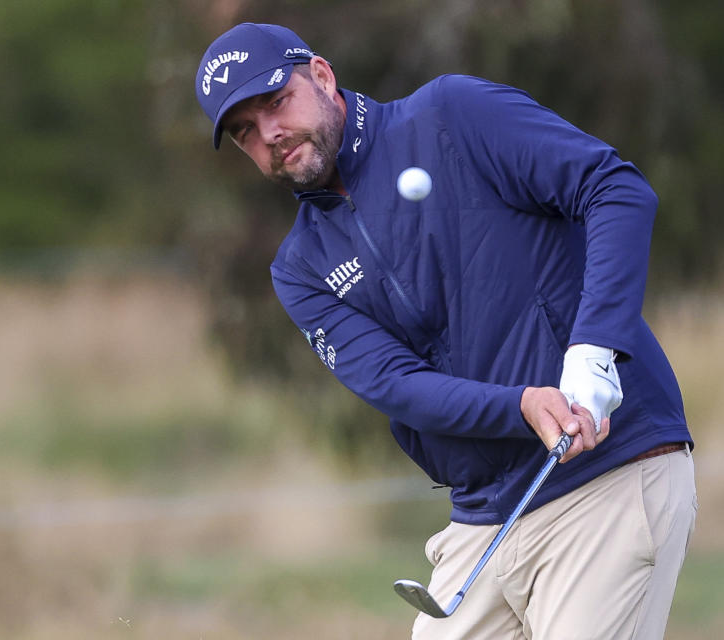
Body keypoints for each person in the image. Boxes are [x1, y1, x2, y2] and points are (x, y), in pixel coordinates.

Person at [195, 22, 696, 640]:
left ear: (322, 76)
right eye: (246, 130)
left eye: (276, 102)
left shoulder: (451, 116)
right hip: (484, 516)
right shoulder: (301, 268)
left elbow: (614, 190)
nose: (270, 133)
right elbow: (398, 386)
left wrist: (594, 347)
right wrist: (520, 406)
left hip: (608, 474)